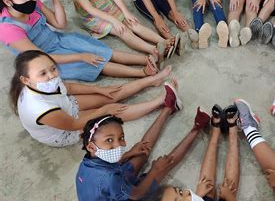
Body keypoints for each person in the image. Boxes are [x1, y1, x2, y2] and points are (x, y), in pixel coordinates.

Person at [75, 105, 211, 201]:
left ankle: (168, 107)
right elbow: (137, 194)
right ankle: (197, 128)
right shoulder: (110, 179)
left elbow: (109, 172)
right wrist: (155, 170)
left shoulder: (87, 162)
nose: (118, 145)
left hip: (106, 198)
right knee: (162, 168)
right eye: (109, 140)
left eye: (121, 138)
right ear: (91, 146)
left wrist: (129, 153)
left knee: (140, 152)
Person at [0, 0, 163, 80]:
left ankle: (150, 58)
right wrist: (80, 56)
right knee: (95, 63)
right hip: (44, 58)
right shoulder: (7, 28)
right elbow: (42, 57)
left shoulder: (33, 5)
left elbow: (60, 24)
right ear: (8, 2)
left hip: (58, 40)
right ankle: (142, 73)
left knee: (103, 51)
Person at [9, 50, 175, 147]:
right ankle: (163, 101)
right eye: (43, 73)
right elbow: (73, 124)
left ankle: (153, 80)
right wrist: (103, 111)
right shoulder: (39, 108)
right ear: (25, 80)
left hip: (65, 107)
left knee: (111, 94)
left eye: (53, 68)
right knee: (114, 114)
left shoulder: (45, 83)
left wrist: (99, 90)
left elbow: (69, 88)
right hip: (63, 130)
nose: (52, 75)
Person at [143, 104, 245, 201]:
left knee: (206, 184)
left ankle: (215, 131)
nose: (189, 197)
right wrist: (230, 197)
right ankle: (233, 132)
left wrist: (199, 192)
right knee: (229, 188)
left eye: (179, 191)